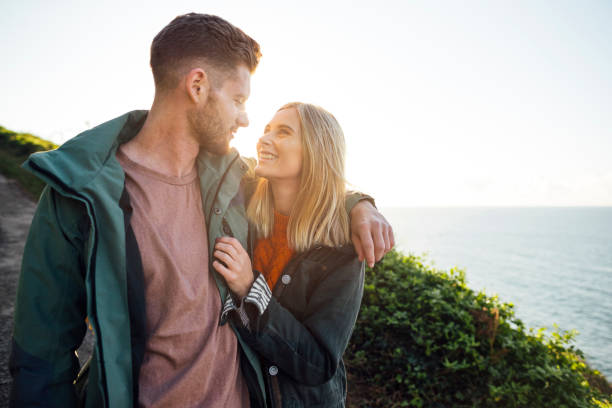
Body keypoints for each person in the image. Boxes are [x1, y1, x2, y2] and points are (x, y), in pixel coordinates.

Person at [8, 13, 394, 408]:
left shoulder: (230, 182)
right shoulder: (80, 196)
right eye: (239, 100)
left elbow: (310, 188)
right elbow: (42, 357)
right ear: (197, 86)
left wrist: (358, 204)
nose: (247, 120)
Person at [214, 102, 365, 407]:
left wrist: (249, 288)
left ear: (315, 151)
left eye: (283, 132)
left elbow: (318, 363)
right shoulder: (242, 201)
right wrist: (363, 203)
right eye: (267, 129)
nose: (264, 139)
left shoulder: (343, 250)